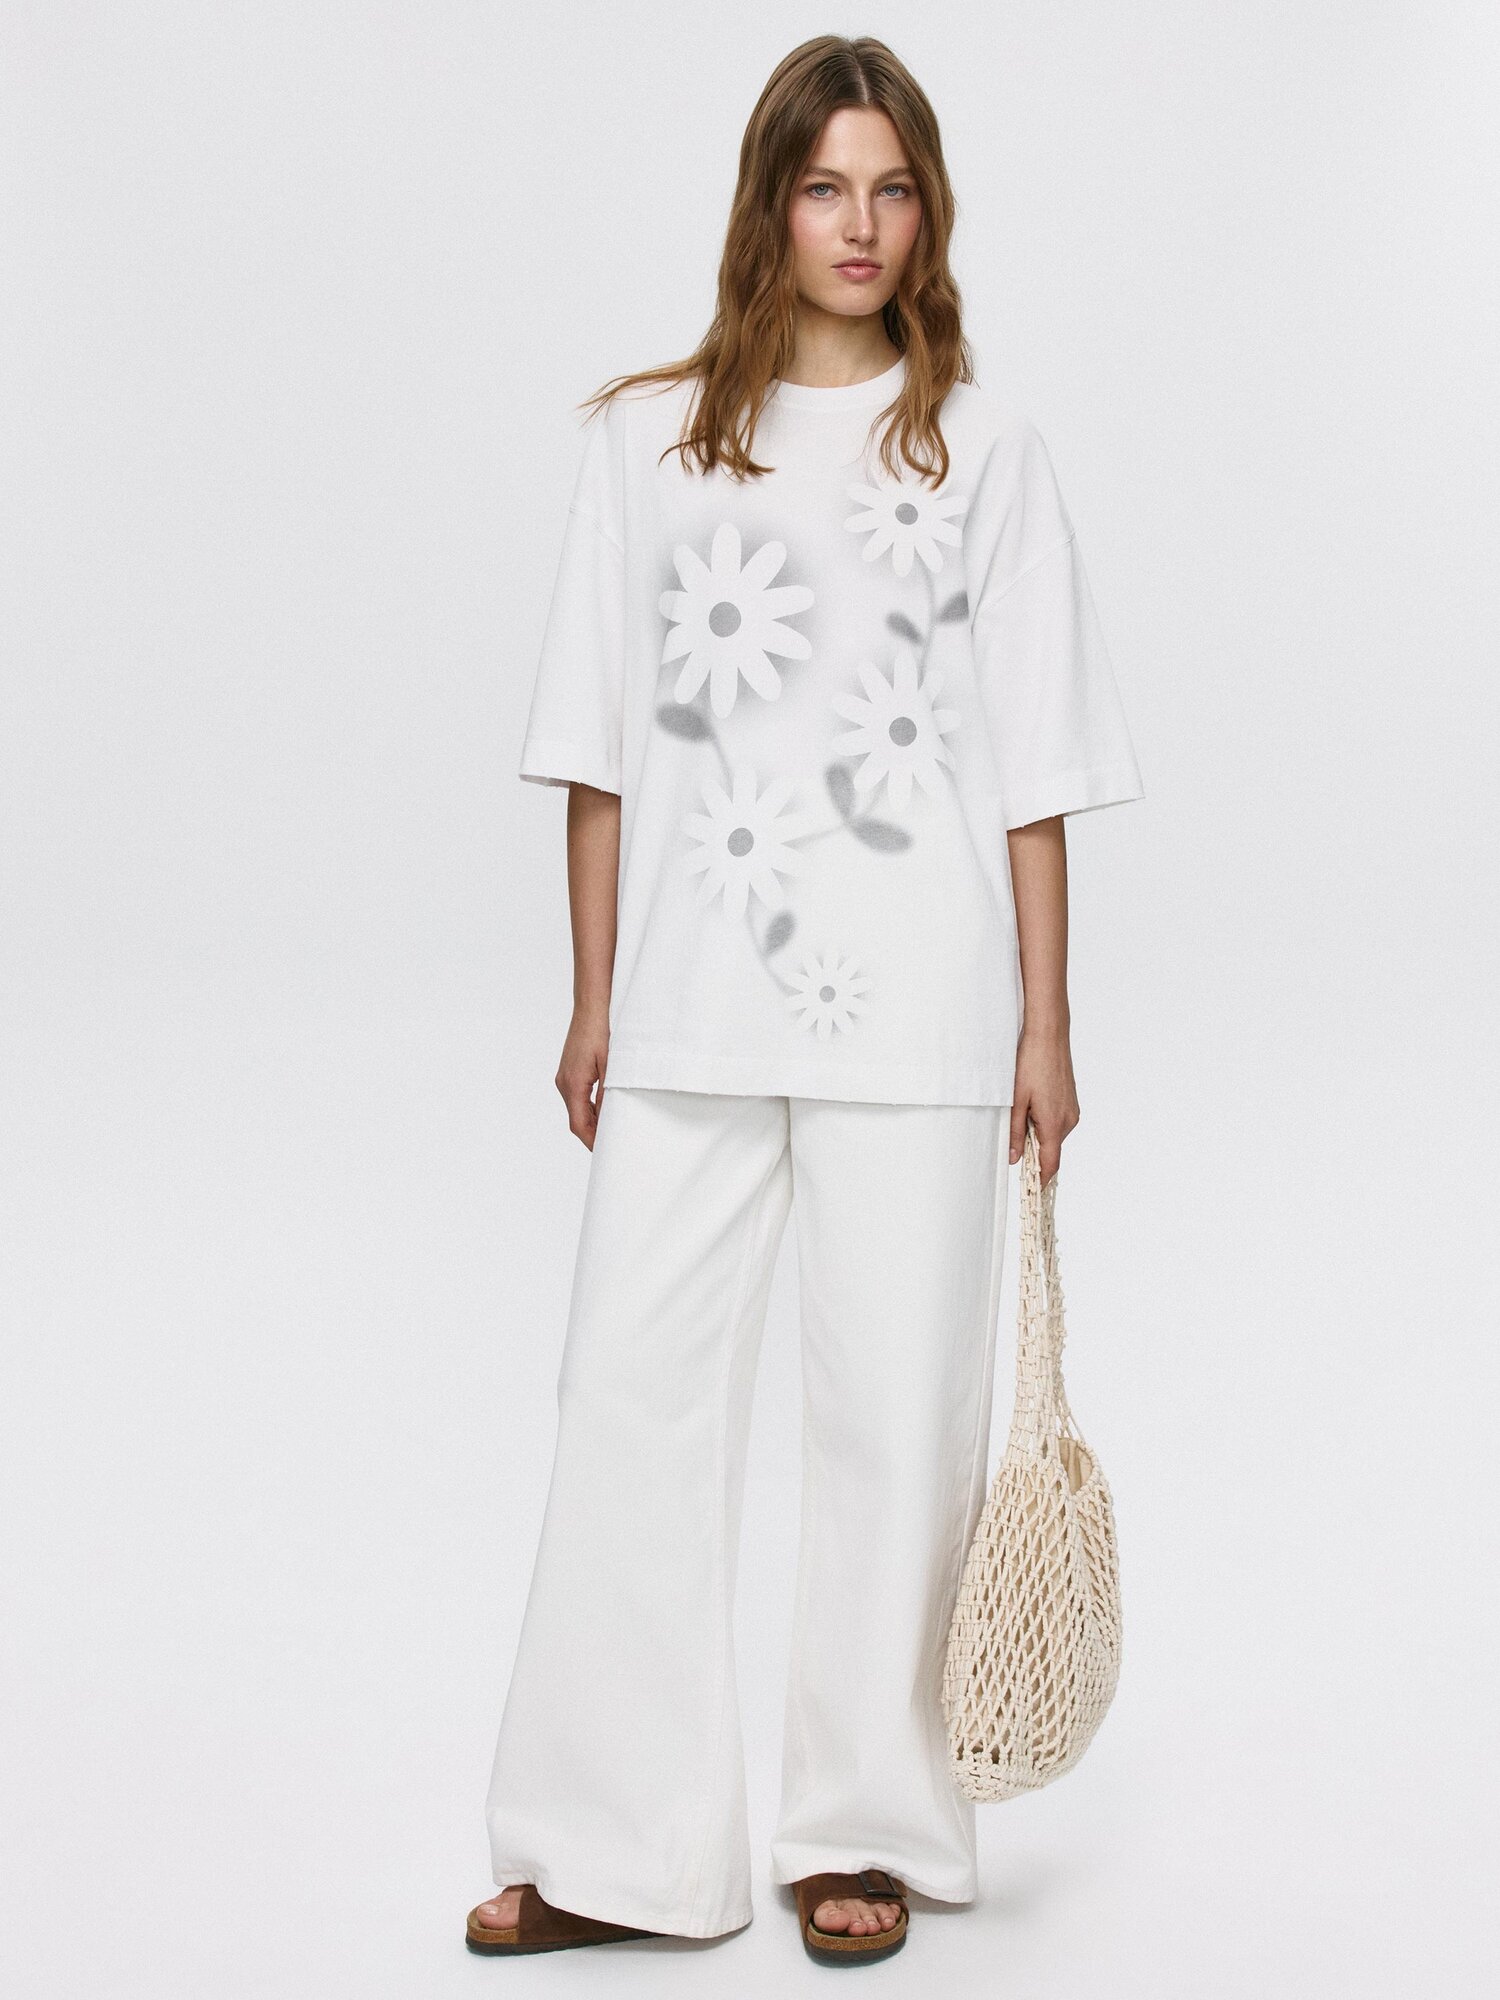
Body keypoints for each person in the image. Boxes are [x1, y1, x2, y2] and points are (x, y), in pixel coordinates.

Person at [467, 32, 1143, 1969]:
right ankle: (612, 1845)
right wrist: (591, 995)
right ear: (770, 205)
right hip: (691, 1000)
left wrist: (1048, 1024)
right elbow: (598, 751)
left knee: (894, 1418)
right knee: (628, 1400)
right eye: (826, 186)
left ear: (929, 214)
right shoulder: (653, 444)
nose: (861, 224)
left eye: (893, 188)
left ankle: (865, 1828)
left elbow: (1034, 767)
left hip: (924, 1007)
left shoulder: (982, 452)